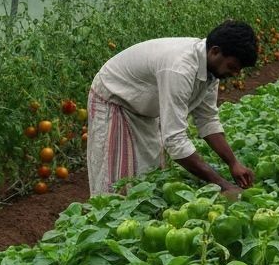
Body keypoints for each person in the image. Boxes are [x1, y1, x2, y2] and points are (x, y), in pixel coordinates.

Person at [86, 20, 258, 196]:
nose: (235, 74)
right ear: (215, 51)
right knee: (117, 178)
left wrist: (233, 163)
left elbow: (207, 120)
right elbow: (175, 140)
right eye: (232, 67)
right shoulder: (180, 69)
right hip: (115, 99)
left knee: (147, 173)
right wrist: (223, 185)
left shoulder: (211, 71)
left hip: (143, 108)